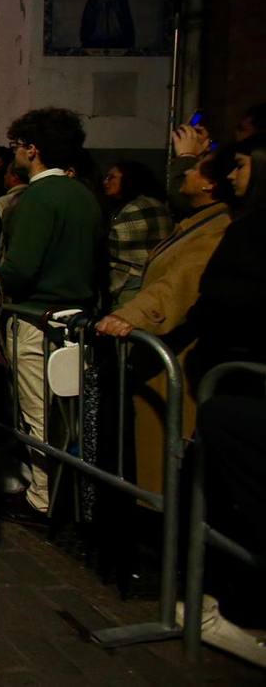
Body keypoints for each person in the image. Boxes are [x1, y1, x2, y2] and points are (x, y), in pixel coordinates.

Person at [95, 148, 235, 495]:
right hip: (163, 345)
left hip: (177, 349)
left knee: (169, 449)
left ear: (211, 184)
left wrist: (129, 315)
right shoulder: (195, 222)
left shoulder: (217, 230)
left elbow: (180, 282)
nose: (183, 174)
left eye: (192, 169)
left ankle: (163, 526)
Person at [0, 108, 104, 521]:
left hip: (38, 316)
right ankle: (65, 493)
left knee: (37, 412)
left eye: (17, 146)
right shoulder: (84, 194)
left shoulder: (39, 197)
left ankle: (44, 499)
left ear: (32, 149)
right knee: (67, 415)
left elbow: (22, 267)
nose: (15, 155)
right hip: (77, 317)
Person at [187, 134, 266, 389]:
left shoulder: (247, 231)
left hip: (237, 366)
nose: (231, 175)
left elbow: (226, 295)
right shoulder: (241, 224)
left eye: (240, 166)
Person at [103, 160, 173, 307]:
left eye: (112, 177)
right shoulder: (154, 203)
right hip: (149, 278)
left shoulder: (138, 208)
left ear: (129, 178)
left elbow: (113, 246)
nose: (106, 182)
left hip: (132, 281)